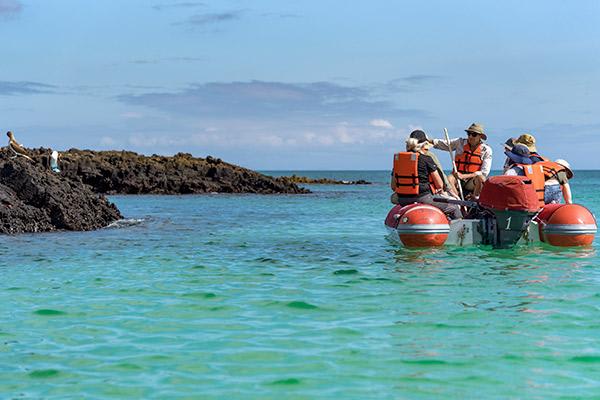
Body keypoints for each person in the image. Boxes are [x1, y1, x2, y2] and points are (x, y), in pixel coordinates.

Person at [391, 137, 462, 219]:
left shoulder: (399, 162)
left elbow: (393, 186)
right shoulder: (426, 159)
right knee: (454, 207)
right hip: (423, 198)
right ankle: (461, 230)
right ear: (422, 146)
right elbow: (439, 185)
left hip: (403, 200)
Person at [430, 123, 492, 199]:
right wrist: (431, 141)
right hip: (457, 178)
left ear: (480, 136)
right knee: (449, 178)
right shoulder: (460, 143)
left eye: (474, 134)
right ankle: (458, 199)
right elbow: (445, 144)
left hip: (471, 180)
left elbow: (484, 172)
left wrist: (464, 176)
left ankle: (475, 199)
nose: (470, 136)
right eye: (468, 134)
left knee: (481, 178)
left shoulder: (486, 150)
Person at [408, 129, 458, 198]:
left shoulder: (402, 158)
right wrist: (451, 192)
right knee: (454, 207)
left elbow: (393, 186)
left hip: (404, 196)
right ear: (425, 144)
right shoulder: (429, 156)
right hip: (425, 195)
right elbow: (440, 179)